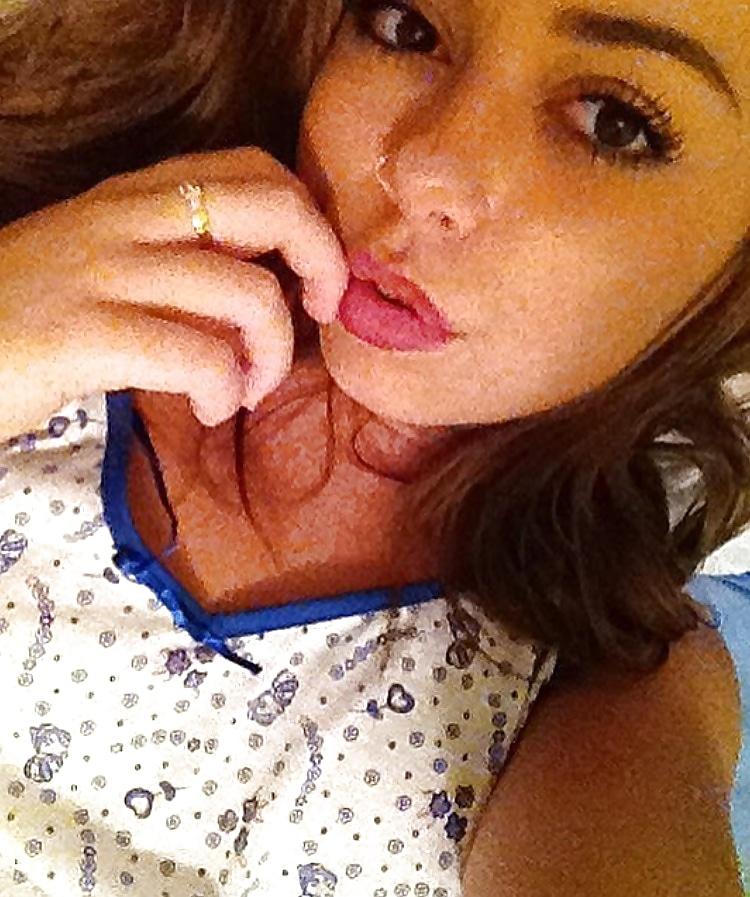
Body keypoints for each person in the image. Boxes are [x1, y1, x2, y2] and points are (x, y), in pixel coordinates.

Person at [0, 0, 747, 894]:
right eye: (407, 27)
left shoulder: (610, 677)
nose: (423, 167)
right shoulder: (56, 260)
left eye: (612, 122)